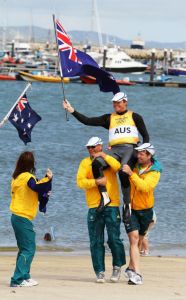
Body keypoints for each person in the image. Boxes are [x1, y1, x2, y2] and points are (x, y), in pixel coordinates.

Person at [63, 92, 149, 221]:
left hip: (129, 149)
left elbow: (146, 136)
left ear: (125, 102)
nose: (116, 105)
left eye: (118, 102)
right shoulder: (109, 118)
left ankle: (127, 205)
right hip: (114, 150)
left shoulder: (135, 116)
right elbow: (87, 121)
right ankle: (105, 197)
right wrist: (71, 110)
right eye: (114, 103)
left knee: (123, 171)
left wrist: (142, 151)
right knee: (96, 162)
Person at [77, 136, 125, 283]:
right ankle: (100, 271)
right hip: (94, 207)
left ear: (100, 146)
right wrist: (96, 182)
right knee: (96, 241)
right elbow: (80, 182)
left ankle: (117, 267)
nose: (90, 150)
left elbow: (119, 167)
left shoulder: (109, 159)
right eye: (88, 148)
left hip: (111, 205)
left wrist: (104, 155)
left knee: (114, 239)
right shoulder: (85, 162)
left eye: (93, 147)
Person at [10, 151, 53, 287]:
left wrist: (45, 179)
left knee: (24, 248)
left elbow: (35, 187)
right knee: (29, 249)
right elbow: (35, 186)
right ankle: (17, 280)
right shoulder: (28, 177)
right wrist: (48, 179)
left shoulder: (17, 177)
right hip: (22, 217)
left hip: (17, 216)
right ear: (31, 164)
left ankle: (25, 276)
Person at [122, 143, 162, 285]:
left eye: (142, 154)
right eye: (137, 153)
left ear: (149, 156)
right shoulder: (134, 164)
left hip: (146, 210)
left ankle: (131, 268)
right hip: (130, 208)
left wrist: (131, 174)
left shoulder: (155, 172)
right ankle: (137, 273)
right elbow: (120, 161)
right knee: (133, 239)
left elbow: (145, 187)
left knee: (139, 241)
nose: (138, 155)